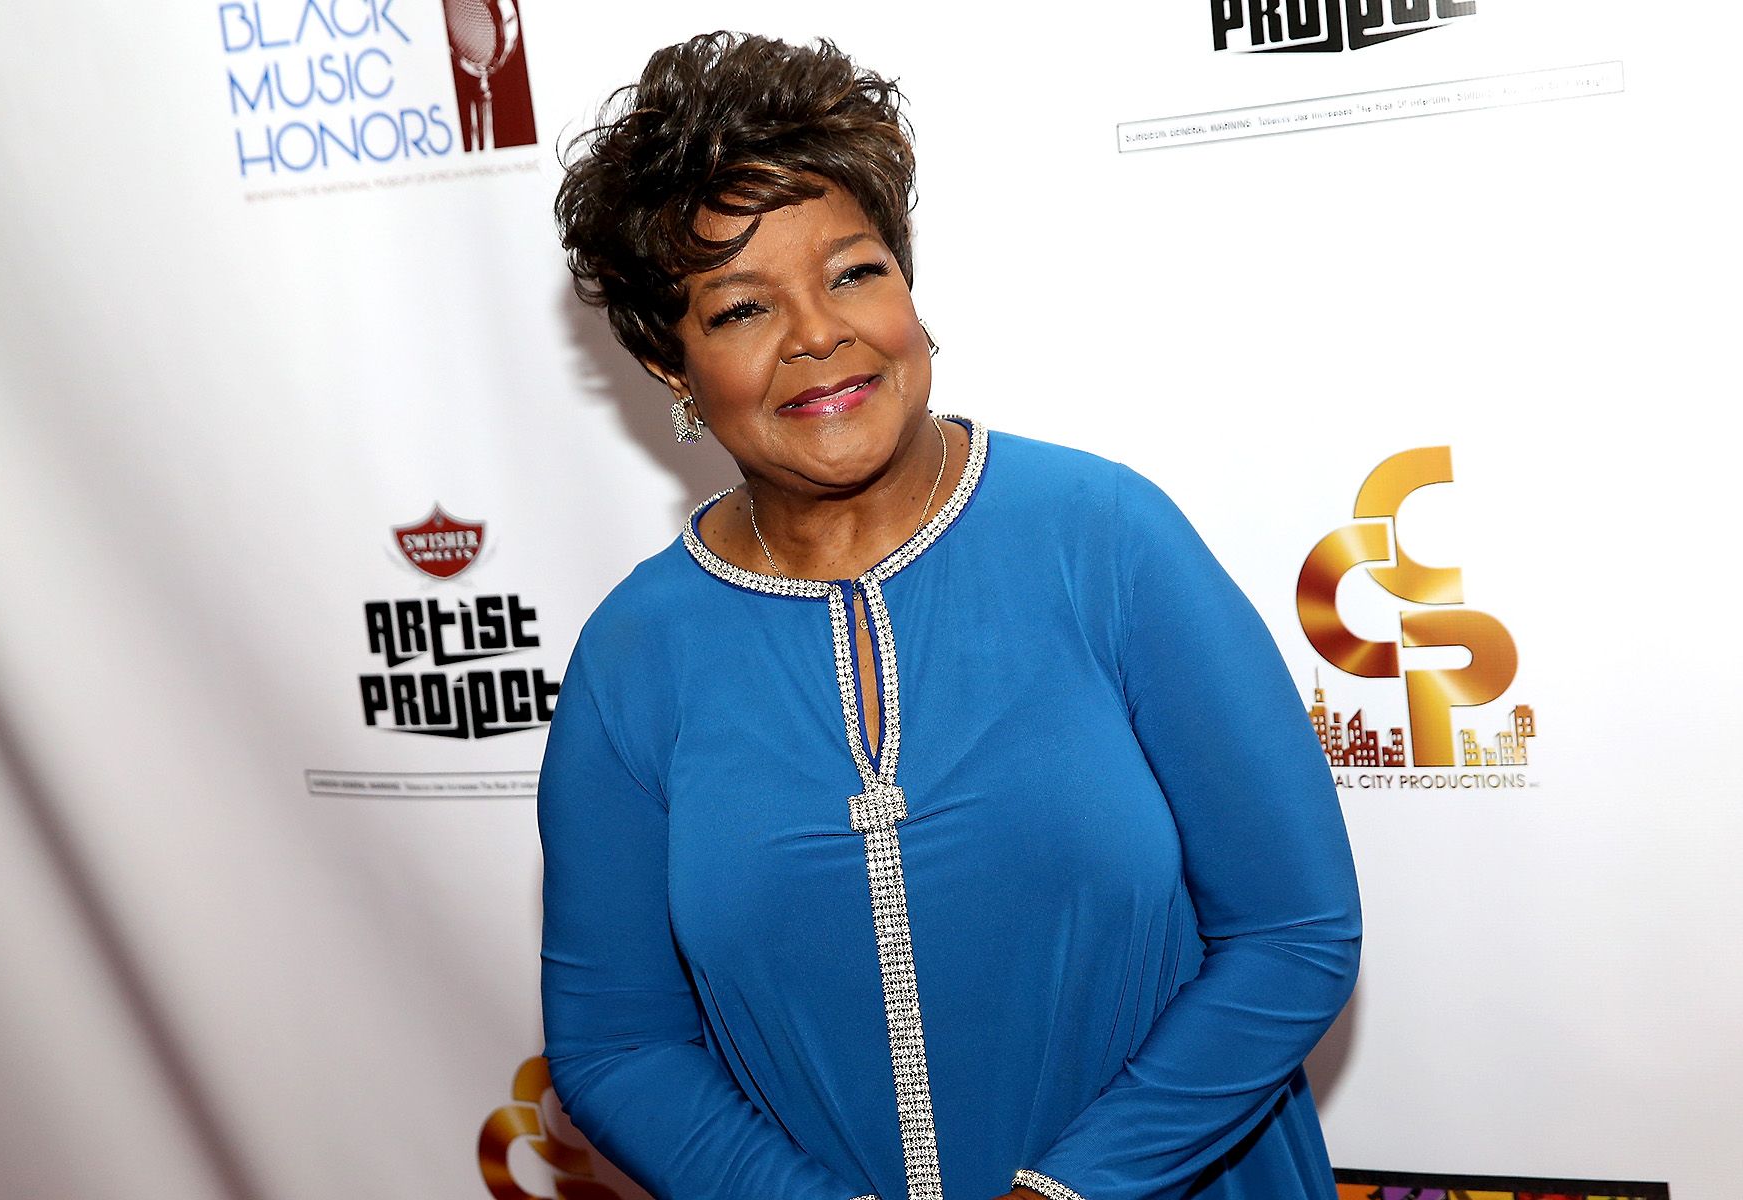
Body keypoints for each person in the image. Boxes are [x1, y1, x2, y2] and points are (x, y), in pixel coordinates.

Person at [538, 30, 1361, 1200]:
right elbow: (619, 1045)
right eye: (741, 308)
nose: (817, 333)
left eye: (853, 273)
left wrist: (1072, 1191)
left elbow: (1294, 931)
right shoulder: (634, 657)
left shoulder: (1106, 537)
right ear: (671, 367)